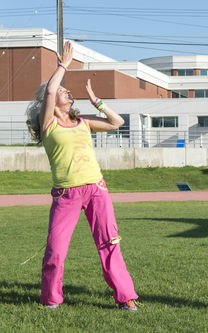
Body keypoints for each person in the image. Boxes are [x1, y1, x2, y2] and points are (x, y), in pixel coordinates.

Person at [26, 41, 138, 311]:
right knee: (56, 249)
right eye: (63, 91)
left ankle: (125, 297)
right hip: (66, 195)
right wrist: (63, 64)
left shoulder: (82, 122)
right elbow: (51, 88)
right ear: (50, 103)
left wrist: (96, 102)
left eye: (66, 90)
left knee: (109, 243)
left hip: (96, 189)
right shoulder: (48, 124)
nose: (66, 91)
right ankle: (51, 298)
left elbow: (117, 123)